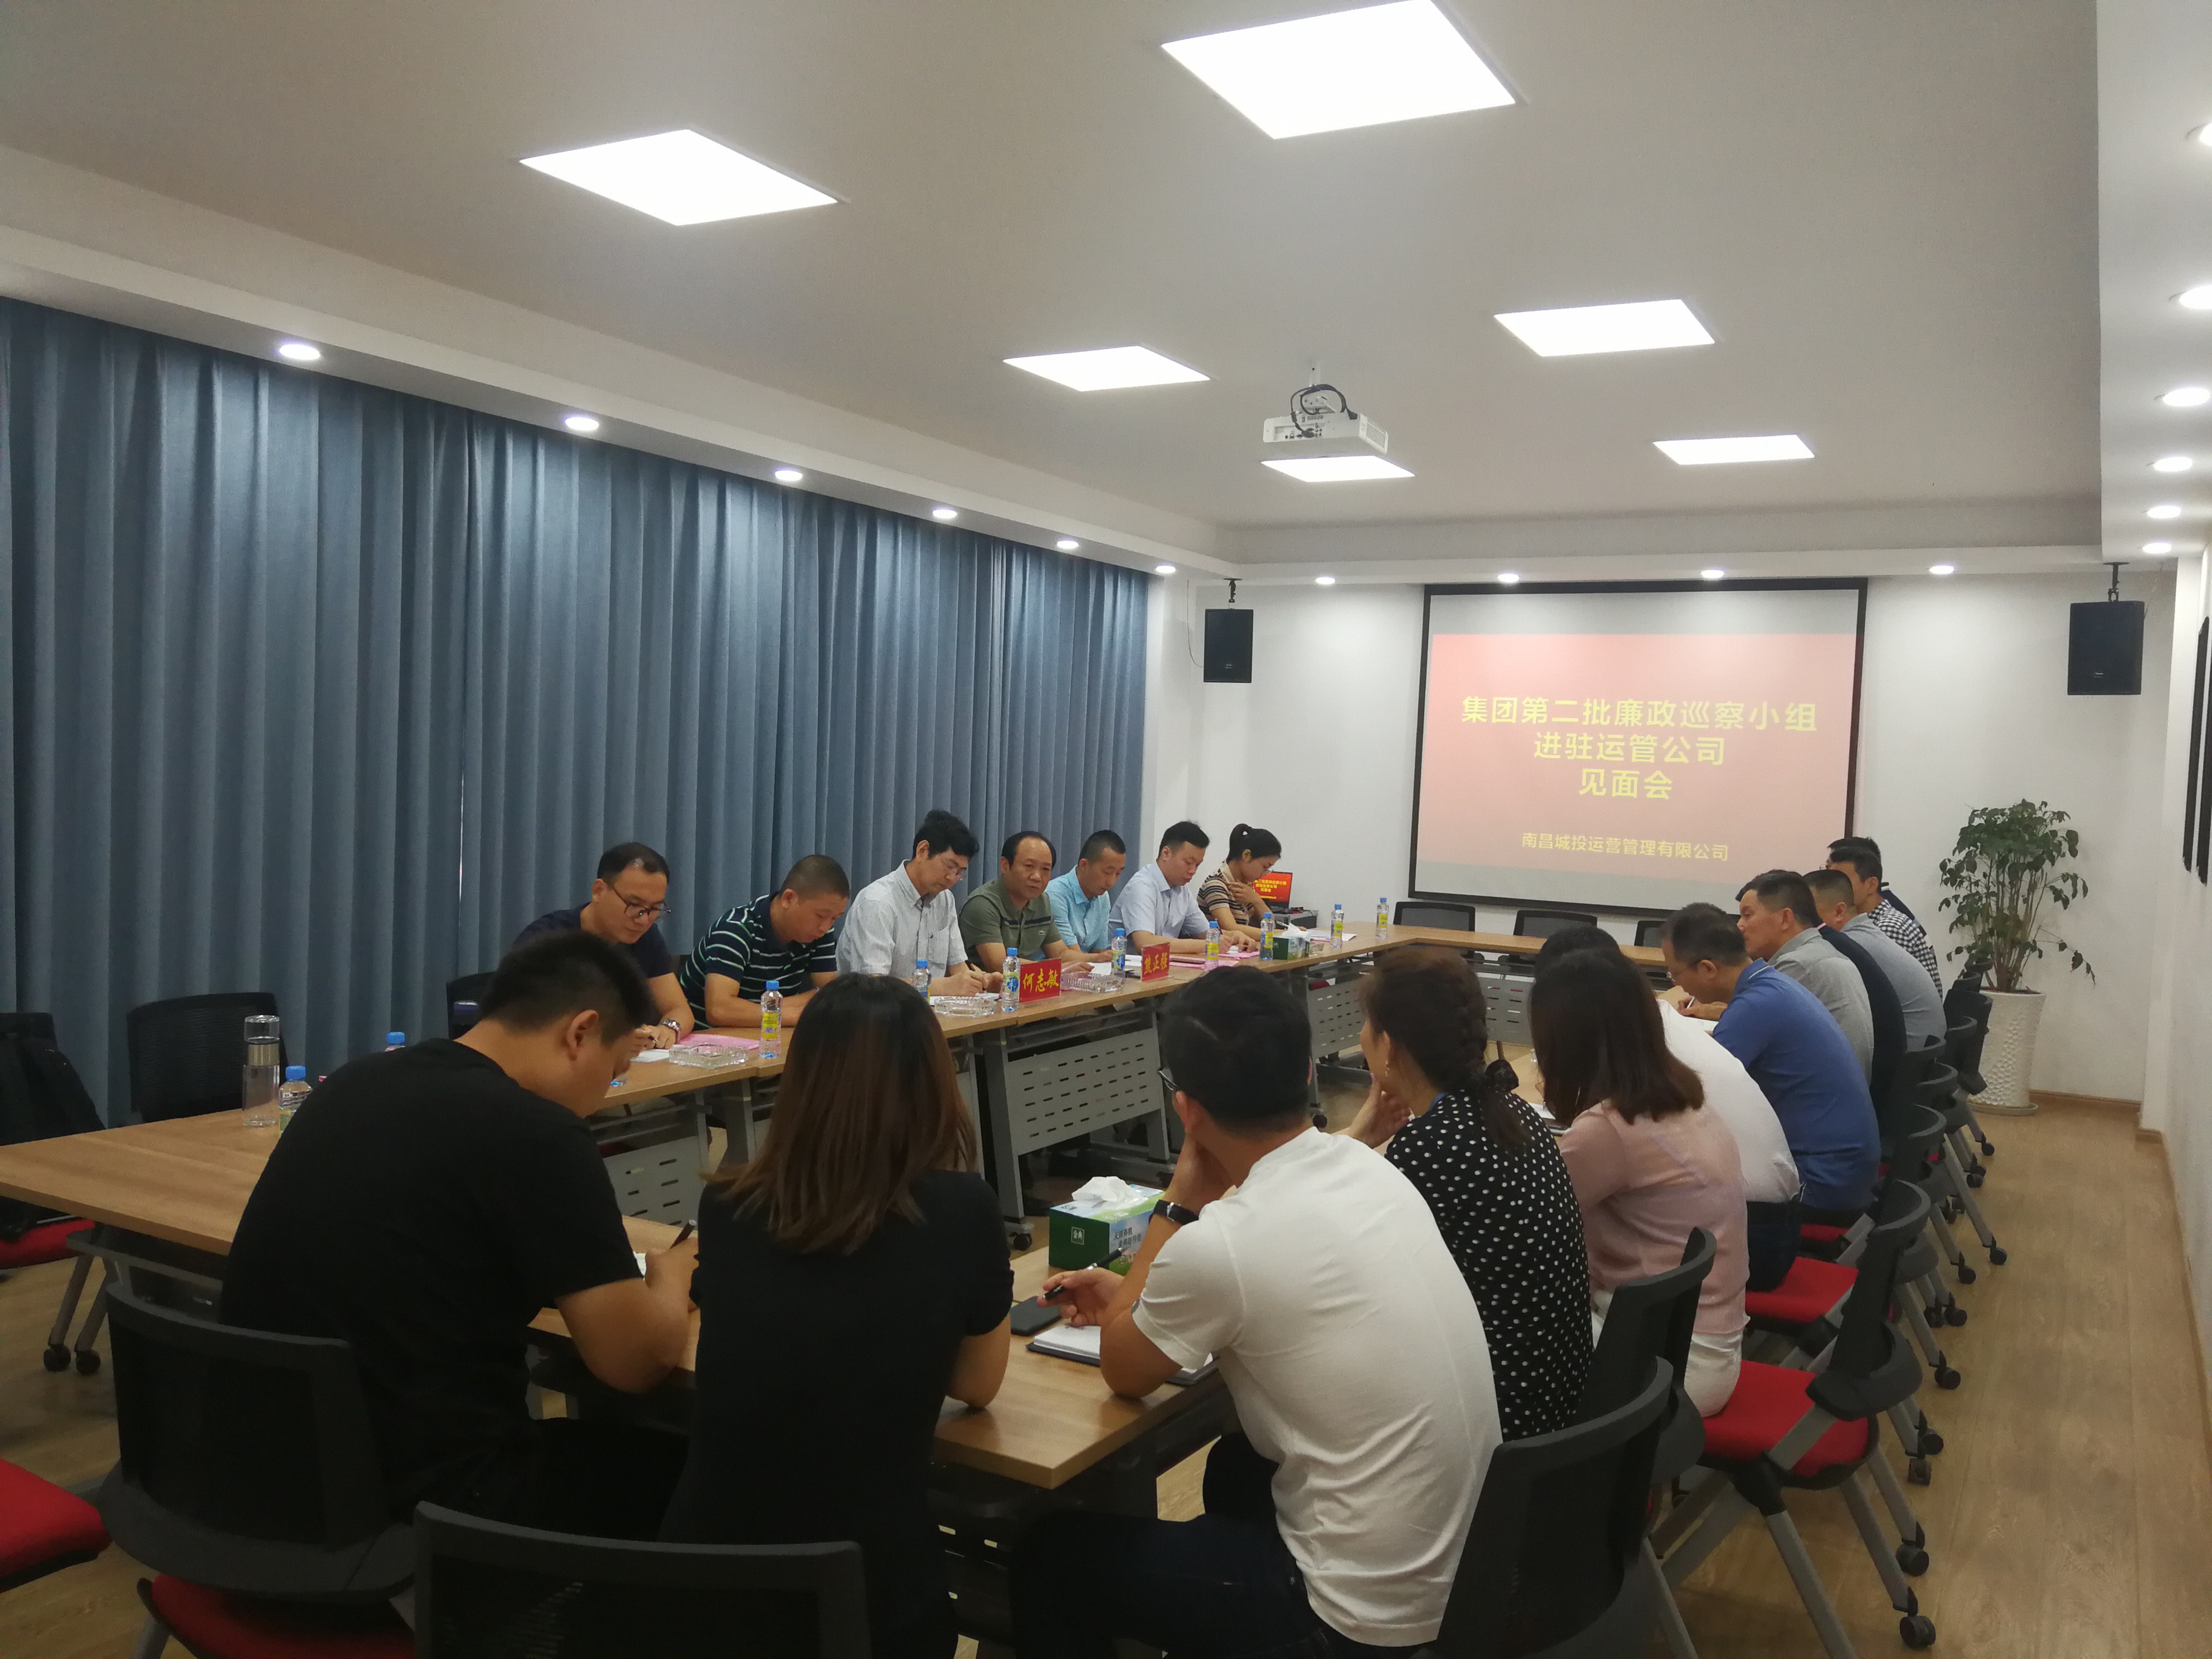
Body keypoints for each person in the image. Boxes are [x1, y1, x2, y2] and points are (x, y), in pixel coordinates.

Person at [1013, 968, 1498, 1659]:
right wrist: (1133, 1295)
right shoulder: (1372, 1170)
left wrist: (1178, 1204)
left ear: (1186, 1110)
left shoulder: (1223, 1242)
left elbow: (1123, 1368)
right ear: (1307, 1071)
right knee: (1236, 1471)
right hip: (1464, 1574)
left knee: (1051, 1556)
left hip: (1357, 1617)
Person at [221, 933, 697, 1535]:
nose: (603, 1097)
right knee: (710, 1478)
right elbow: (634, 1363)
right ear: (581, 1033)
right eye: (615, 1070)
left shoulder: (351, 1083)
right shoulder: (537, 1134)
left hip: (255, 1478)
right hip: (422, 1505)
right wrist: (673, 1275)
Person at [662, 976, 1012, 1659]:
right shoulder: (962, 1208)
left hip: (706, 1592)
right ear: (931, 1082)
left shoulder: (729, 1203)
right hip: (869, 1598)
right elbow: (976, 1384)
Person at [1339, 945, 1592, 1439]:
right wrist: (1360, 1138)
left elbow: (1361, 1285)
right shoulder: (1512, 1112)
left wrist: (1353, 1140)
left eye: (1367, 1025)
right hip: (1562, 1397)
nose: (1361, 1037)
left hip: (1502, 1419)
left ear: (1388, 1047)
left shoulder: (1429, 1147)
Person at [1532, 948, 1749, 1415]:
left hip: (1665, 1367)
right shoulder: (1680, 1096)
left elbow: (1529, 1225)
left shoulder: (1610, 1128)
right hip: (1704, 1347)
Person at [1536, 927, 1802, 1292]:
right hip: (1749, 1235)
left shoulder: (1620, 1113)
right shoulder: (1664, 1064)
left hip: (1759, 1234)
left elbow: (1535, 1218)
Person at [1661, 904, 1880, 1223]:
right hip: (1845, 1171)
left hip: (1821, 1183)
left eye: (1674, 975)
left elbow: (1692, 1096)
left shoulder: (1755, 1006)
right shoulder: (1772, 985)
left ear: (1708, 969)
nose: (1678, 985)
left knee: (1664, 1190)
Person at [513, 842, 692, 1046]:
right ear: (599, 891)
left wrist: (668, 1029)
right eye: (634, 905)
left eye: (655, 909)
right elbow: (524, 1026)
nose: (644, 920)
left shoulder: (645, 937)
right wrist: (613, 1040)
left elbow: (680, 1009)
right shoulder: (547, 941)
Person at [678, 855, 850, 1030]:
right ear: (788, 899)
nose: (825, 927)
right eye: (820, 916)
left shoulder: (820, 932)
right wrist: (791, 1014)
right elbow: (720, 1011)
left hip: (768, 1034)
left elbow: (829, 995)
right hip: (707, 1039)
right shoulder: (736, 929)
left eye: (835, 918)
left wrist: (768, 1009)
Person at [1735, 870, 1874, 1080]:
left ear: (1785, 918)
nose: (1739, 925)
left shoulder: (1799, 965)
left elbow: (1743, 1037)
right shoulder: (1817, 951)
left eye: (1748, 915)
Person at [837, 809, 995, 993]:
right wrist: (941, 986)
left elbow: (959, 966)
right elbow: (872, 986)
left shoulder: (945, 900)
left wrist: (984, 981)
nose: (952, 878)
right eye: (949, 866)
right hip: (875, 1009)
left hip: (931, 1008)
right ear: (923, 851)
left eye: (960, 873)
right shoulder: (877, 903)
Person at [1806, 867, 1945, 1049]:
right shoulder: (1866, 932)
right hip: (1924, 1047)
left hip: (1910, 1052)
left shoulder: (1851, 945)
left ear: (1840, 912)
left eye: (1808, 915)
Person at [959, 831, 1109, 971]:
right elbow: (1000, 963)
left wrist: (1098, 958)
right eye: (1029, 866)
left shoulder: (1042, 901)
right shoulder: (983, 904)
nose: (1037, 877)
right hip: (985, 988)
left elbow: (1061, 953)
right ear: (1005, 866)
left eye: (1045, 870)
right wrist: (1056, 970)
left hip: (1027, 985)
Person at [1826, 836, 1943, 989]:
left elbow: (1873, 989)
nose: (1833, 888)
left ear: (1871, 885)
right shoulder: (1870, 921)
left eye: (1843, 880)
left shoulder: (1888, 927)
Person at [1113, 821, 1215, 959]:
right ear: (1166, 853)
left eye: (1197, 865)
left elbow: (1206, 933)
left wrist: (1230, 937)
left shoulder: (1182, 890)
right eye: (1189, 863)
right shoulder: (1142, 885)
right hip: (1122, 967)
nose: (1193, 871)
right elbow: (1145, 943)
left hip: (1160, 966)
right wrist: (1207, 945)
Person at [1195, 823, 1282, 947]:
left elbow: (1269, 924)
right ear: (1246, 855)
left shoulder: (1245, 884)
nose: (1265, 874)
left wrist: (1257, 900)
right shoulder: (1216, 884)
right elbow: (1231, 928)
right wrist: (1283, 934)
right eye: (1265, 867)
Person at [1045, 830, 1127, 955]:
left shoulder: (1103, 897)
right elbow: (1071, 956)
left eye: (1118, 873)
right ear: (1084, 865)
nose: (1112, 882)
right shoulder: (1055, 895)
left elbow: (1099, 951)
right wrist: (1100, 958)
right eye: (1107, 872)